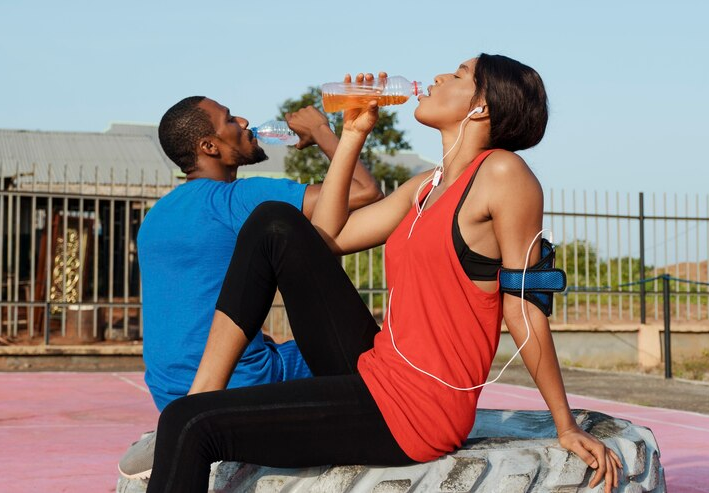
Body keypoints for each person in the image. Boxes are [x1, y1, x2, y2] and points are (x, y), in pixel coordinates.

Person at [146, 56, 622, 493]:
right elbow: (324, 237)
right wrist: (352, 134)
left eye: (457, 75)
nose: (437, 78)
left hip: (417, 408)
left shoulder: (502, 173)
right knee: (272, 222)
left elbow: (523, 306)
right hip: (376, 370)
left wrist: (565, 424)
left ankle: (198, 403)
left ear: (481, 107)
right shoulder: (425, 186)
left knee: (189, 424)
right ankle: (204, 392)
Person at [118, 96, 383, 479]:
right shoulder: (240, 199)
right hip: (244, 383)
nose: (243, 120)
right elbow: (364, 192)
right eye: (229, 119)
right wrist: (324, 132)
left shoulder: (158, 215)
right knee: (378, 356)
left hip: (170, 394)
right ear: (209, 147)